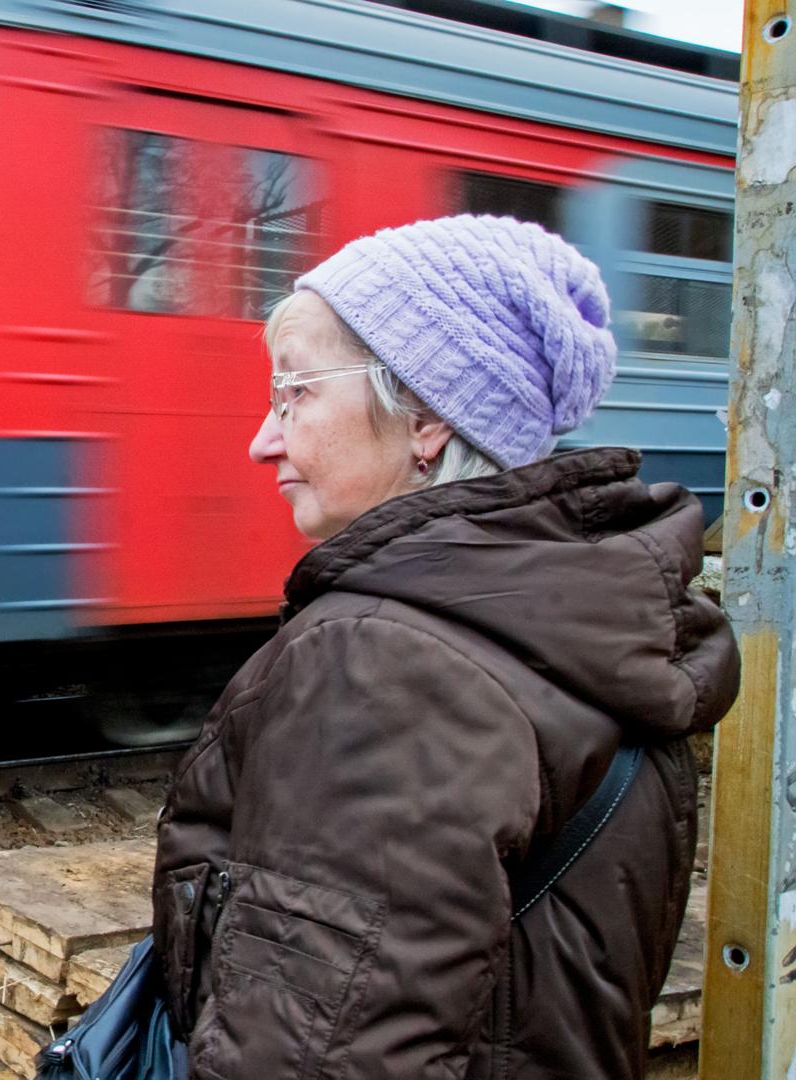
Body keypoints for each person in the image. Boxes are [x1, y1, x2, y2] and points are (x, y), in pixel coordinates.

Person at [150, 215, 739, 1079]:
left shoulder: (384, 667)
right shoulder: (585, 629)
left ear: (425, 421)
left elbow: (313, 1058)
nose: (263, 438)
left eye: (296, 393)